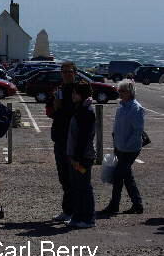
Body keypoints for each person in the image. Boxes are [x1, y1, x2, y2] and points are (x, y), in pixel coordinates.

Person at [100, 79, 144, 215]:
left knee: (119, 176)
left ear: (130, 92)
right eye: (119, 90)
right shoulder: (121, 107)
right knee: (126, 176)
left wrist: (125, 145)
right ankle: (137, 204)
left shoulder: (136, 108)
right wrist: (116, 144)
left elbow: (138, 131)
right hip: (120, 147)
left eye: (122, 91)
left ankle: (114, 206)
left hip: (130, 149)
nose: (120, 93)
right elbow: (117, 128)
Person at [45, 60, 77, 222]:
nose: (66, 74)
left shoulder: (79, 91)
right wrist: (56, 105)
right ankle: (67, 210)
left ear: (74, 73)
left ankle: (75, 211)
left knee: (74, 177)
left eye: (69, 71)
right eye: (63, 71)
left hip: (74, 140)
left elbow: (78, 113)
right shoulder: (58, 90)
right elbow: (49, 111)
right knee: (63, 177)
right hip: (59, 138)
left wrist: (61, 108)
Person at [67, 81, 96, 228]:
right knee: (77, 186)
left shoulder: (87, 111)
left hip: (83, 157)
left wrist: (77, 158)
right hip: (76, 156)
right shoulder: (80, 109)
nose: (73, 95)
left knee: (84, 187)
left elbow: (84, 138)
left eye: (75, 93)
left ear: (81, 94)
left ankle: (89, 218)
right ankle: (77, 217)